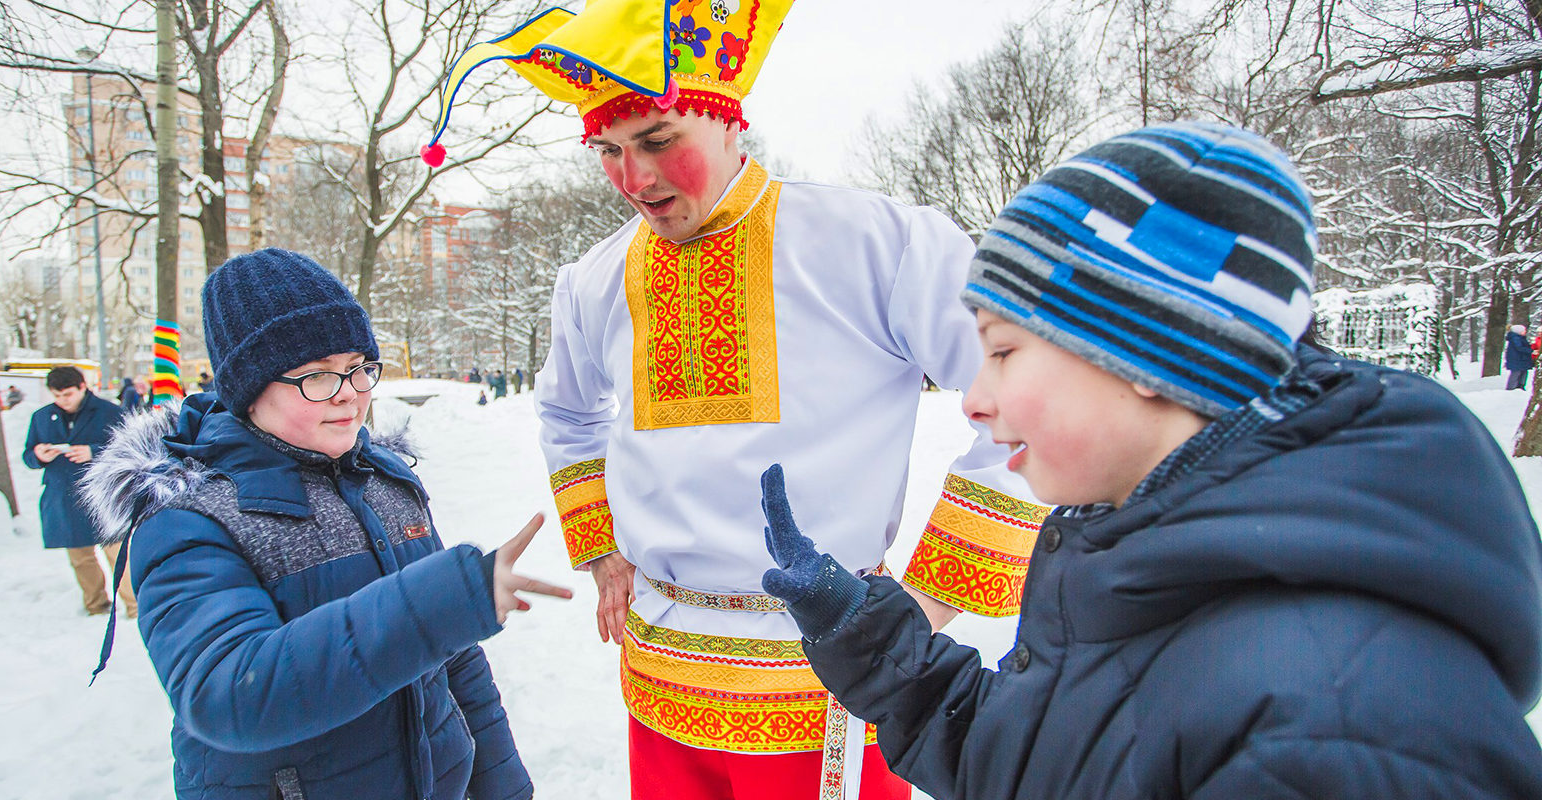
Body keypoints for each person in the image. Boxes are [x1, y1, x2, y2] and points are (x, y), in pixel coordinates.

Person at [755, 123, 1542, 799]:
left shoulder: (1340, 722)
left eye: (1002, 351)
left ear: (1147, 359)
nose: (972, 399)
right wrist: (862, 631)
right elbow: (1041, 761)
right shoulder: (1144, 556)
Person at [425, 3, 1048, 798]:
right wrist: (599, 545)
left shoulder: (874, 244)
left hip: (828, 691)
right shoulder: (593, 280)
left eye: (658, 141)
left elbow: (1030, 391)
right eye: (608, 151)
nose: (634, 179)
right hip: (661, 683)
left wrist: (927, 601)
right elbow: (568, 415)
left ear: (729, 123)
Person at [76, 248, 569, 800]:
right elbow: (228, 693)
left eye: (359, 367)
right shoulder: (187, 518)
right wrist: (437, 604)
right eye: (317, 376)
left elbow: (455, 669)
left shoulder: (385, 481)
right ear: (247, 389)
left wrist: (504, 788)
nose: (352, 393)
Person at [23, 365, 134, 617]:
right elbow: (28, 455)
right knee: (80, 555)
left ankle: (134, 605)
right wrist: (39, 455)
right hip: (63, 494)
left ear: (83, 387)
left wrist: (93, 451)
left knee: (117, 552)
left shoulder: (109, 412)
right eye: (57, 395)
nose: (63, 401)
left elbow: (130, 447)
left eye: (68, 394)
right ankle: (96, 605)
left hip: (101, 493)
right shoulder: (42, 417)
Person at [1506, 324, 1533, 390]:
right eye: (1523, 330)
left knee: (1523, 372)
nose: (1525, 332)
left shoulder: (1520, 338)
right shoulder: (1515, 338)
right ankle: (1512, 387)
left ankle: (1519, 386)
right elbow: (1520, 348)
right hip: (1517, 359)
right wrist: (1531, 351)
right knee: (1516, 373)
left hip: (1521, 359)